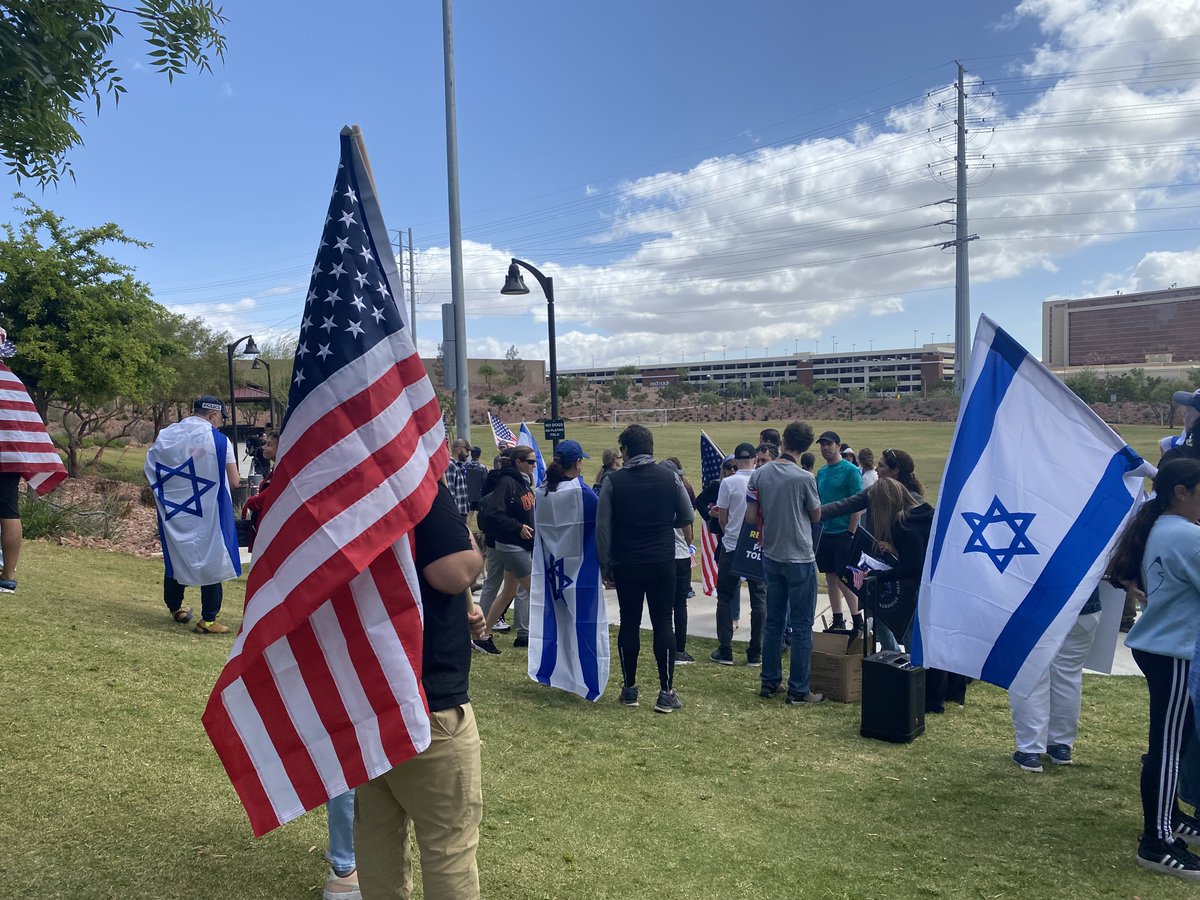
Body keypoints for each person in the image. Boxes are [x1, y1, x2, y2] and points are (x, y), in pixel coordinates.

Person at [354, 480, 487, 899]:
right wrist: (472, 548)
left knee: (376, 837)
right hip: (427, 698)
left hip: (365, 692)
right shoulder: (416, 477)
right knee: (449, 847)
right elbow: (450, 571)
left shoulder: (340, 476)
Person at [1105, 459, 1200, 880]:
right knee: (1167, 747)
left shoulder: (1163, 526)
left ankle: (1170, 818)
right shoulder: (1186, 536)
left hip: (1164, 646)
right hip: (1173, 650)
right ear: (1181, 491)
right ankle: (1156, 841)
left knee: (1174, 743)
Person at [596, 424, 693, 713]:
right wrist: (663, 526)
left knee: (629, 622)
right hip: (662, 559)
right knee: (663, 621)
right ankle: (666, 691)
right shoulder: (670, 478)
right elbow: (687, 515)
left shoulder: (615, 481)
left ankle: (629, 689)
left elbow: (603, 527)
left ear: (625, 450)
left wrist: (605, 562)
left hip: (627, 560)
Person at [144, 395, 240, 634]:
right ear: (213, 415)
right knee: (212, 558)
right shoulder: (220, 441)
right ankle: (208, 620)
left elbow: (154, 466)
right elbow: (235, 480)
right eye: (219, 419)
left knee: (177, 554)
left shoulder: (167, 435)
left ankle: (176, 608)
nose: (219, 423)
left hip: (175, 509)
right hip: (208, 511)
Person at [746, 421, 825, 704]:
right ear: (804, 447)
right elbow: (816, 516)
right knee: (802, 626)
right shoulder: (805, 478)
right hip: (800, 557)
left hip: (771, 554)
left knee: (774, 621)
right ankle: (799, 689)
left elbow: (751, 518)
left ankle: (769, 681)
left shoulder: (760, 473)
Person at [527, 440, 610, 700]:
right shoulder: (581, 494)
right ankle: (582, 677)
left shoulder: (542, 492)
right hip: (579, 571)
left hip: (552, 568)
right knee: (583, 625)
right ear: (577, 463)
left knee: (558, 622)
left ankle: (557, 672)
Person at [0, 329, 67, 592]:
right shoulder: (14, 383)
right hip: (10, 458)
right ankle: (8, 576)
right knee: (8, 509)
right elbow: (24, 425)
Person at [1007, 587, 1102, 773]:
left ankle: (1030, 749)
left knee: (1029, 673)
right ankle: (1061, 745)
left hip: (1034, 599)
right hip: (1084, 602)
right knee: (1069, 673)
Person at [712, 442, 767, 667]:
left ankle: (725, 649)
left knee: (725, 596)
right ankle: (755, 651)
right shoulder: (762, 480)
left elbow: (722, 517)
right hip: (756, 545)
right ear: (754, 460)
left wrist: (729, 533)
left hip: (733, 545)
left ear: (736, 462)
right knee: (759, 599)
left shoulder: (728, 482)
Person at [478, 446, 537, 647]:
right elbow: (493, 513)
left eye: (535, 462)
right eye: (530, 462)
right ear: (517, 462)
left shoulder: (522, 482)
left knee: (508, 593)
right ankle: (544, 636)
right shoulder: (507, 482)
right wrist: (518, 527)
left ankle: (482, 636)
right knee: (537, 591)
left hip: (518, 545)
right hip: (512, 546)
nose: (533, 466)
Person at [815, 430, 863, 633]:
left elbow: (858, 504)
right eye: (822, 444)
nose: (825, 448)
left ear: (838, 445)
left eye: (829, 444)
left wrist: (851, 533)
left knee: (845, 579)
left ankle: (857, 619)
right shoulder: (822, 472)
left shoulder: (850, 470)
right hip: (825, 532)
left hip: (844, 532)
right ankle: (837, 618)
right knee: (830, 577)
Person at [661, 459, 696, 664]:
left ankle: (666, 646)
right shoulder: (680, 498)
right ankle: (680, 649)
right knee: (680, 605)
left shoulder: (655, 498)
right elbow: (689, 533)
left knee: (664, 606)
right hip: (680, 555)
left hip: (662, 555)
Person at [241, 430, 279, 552]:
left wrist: (250, 501)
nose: (263, 447)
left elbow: (265, 499)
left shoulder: (281, 472)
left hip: (272, 531)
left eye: (269, 445)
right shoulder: (276, 470)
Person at [444, 438, 473, 522]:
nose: (468, 454)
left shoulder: (459, 466)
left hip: (462, 512)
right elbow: (450, 490)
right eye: (467, 450)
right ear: (459, 449)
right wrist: (454, 512)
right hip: (456, 513)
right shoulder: (451, 465)